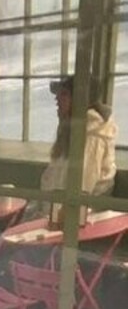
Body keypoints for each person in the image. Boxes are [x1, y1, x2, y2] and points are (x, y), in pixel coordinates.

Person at [41, 76, 117, 209]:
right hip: (55, 210)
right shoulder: (73, 130)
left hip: (77, 216)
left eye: (64, 94)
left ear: (81, 100)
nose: (57, 98)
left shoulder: (92, 137)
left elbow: (82, 190)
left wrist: (50, 216)